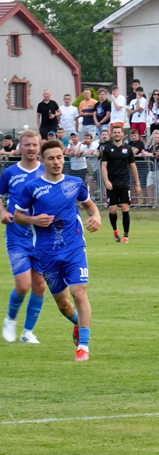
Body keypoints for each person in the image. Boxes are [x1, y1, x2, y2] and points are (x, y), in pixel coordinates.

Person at [7, 139, 99, 360]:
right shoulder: (32, 188)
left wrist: (96, 216)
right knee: (64, 305)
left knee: (80, 293)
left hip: (74, 249)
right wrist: (34, 219)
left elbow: (89, 206)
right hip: (47, 254)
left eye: (59, 157)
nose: (57, 162)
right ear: (43, 161)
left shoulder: (75, 183)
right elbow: (18, 216)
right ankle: (78, 324)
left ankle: (83, 348)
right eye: (51, 158)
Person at [2, 130, 78, 344]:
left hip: (42, 240)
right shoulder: (10, 173)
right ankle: (11, 319)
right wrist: (2, 212)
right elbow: (0, 196)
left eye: (35, 144)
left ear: (39, 146)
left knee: (40, 286)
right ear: (21, 146)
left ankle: (28, 332)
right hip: (18, 237)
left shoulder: (46, 172)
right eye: (27, 145)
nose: (31, 148)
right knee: (23, 284)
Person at [98, 125, 139, 243]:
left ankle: (126, 235)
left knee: (125, 207)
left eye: (118, 132)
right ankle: (115, 229)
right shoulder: (107, 149)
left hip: (124, 182)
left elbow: (133, 166)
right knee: (113, 209)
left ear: (122, 134)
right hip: (112, 183)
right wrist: (106, 180)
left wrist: (137, 183)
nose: (116, 134)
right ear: (112, 134)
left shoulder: (128, 149)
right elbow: (104, 166)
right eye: (114, 132)